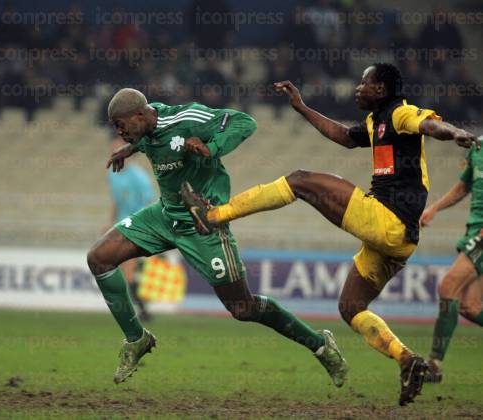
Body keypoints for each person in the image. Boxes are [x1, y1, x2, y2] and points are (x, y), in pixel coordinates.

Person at [180, 63, 481, 406]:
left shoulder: (399, 112)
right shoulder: (375, 121)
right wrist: (302, 107)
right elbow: (343, 136)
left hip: (388, 220)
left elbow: (427, 124)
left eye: (364, 83)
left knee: (300, 180)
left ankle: (214, 215)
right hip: (399, 239)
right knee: (351, 306)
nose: (357, 88)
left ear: (381, 89)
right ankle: (408, 360)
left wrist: (454, 131)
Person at [87, 88, 348, 386]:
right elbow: (151, 136)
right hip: (165, 215)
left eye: (122, 126)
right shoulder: (147, 120)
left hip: (204, 221)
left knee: (243, 308)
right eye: (116, 129)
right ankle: (136, 339)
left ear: (138, 115)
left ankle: (320, 344)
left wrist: (212, 148)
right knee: (99, 258)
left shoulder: (189, 118)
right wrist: (129, 149)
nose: (120, 133)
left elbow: (245, 123)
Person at [419, 141, 483, 383]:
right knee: (471, 307)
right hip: (474, 230)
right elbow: (463, 186)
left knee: (448, 287)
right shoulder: (477, 149)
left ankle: (434, 366)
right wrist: (434, 208)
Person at [108, 137, 156, 321]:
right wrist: (110, 222)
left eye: (118, 149)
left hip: (137, 227)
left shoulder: (139, 177)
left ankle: (139, 312)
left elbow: (150, 203)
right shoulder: (113, 174)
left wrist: (148, 229)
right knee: (122, 271)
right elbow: (116, 200)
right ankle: (143, 311)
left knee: (127, 271)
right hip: (120, 227)